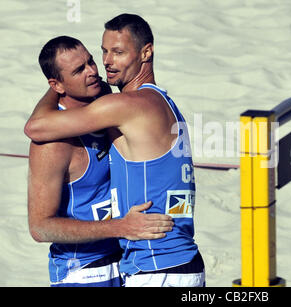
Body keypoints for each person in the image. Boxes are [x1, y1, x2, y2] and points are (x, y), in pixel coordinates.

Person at [25, 14, 204, 287]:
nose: (102, 66)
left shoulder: (125, 106)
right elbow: (39, 226)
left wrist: (58, 84)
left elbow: (36, 125)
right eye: (104, 52)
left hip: (157, 268)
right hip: (148, 265)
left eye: (118, 53)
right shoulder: (158, 100)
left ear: (146, 53)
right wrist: (57, 84)